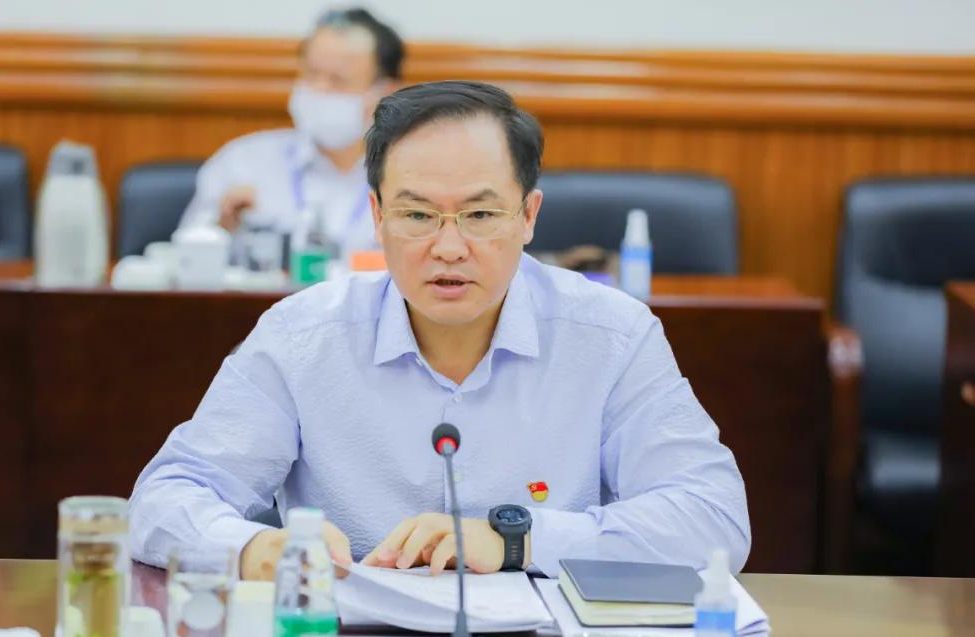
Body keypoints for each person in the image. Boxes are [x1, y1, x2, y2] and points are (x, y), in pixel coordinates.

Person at [130, 80, 751, 580]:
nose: (448, 247)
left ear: (529, 216)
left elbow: (714, 518)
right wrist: (252, 547)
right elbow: (164, 499)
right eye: (417, 214)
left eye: (480, 214)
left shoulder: (611, 335)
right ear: (377, 216)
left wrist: (516, 541)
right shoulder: (301, 336)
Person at [177, 7, 403, 257]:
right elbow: (183, 260)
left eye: (337, 80)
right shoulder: (242, 162)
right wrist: (222, 228)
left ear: (385, 92)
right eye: (311, 74)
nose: (318, 89)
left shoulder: (408, 174)